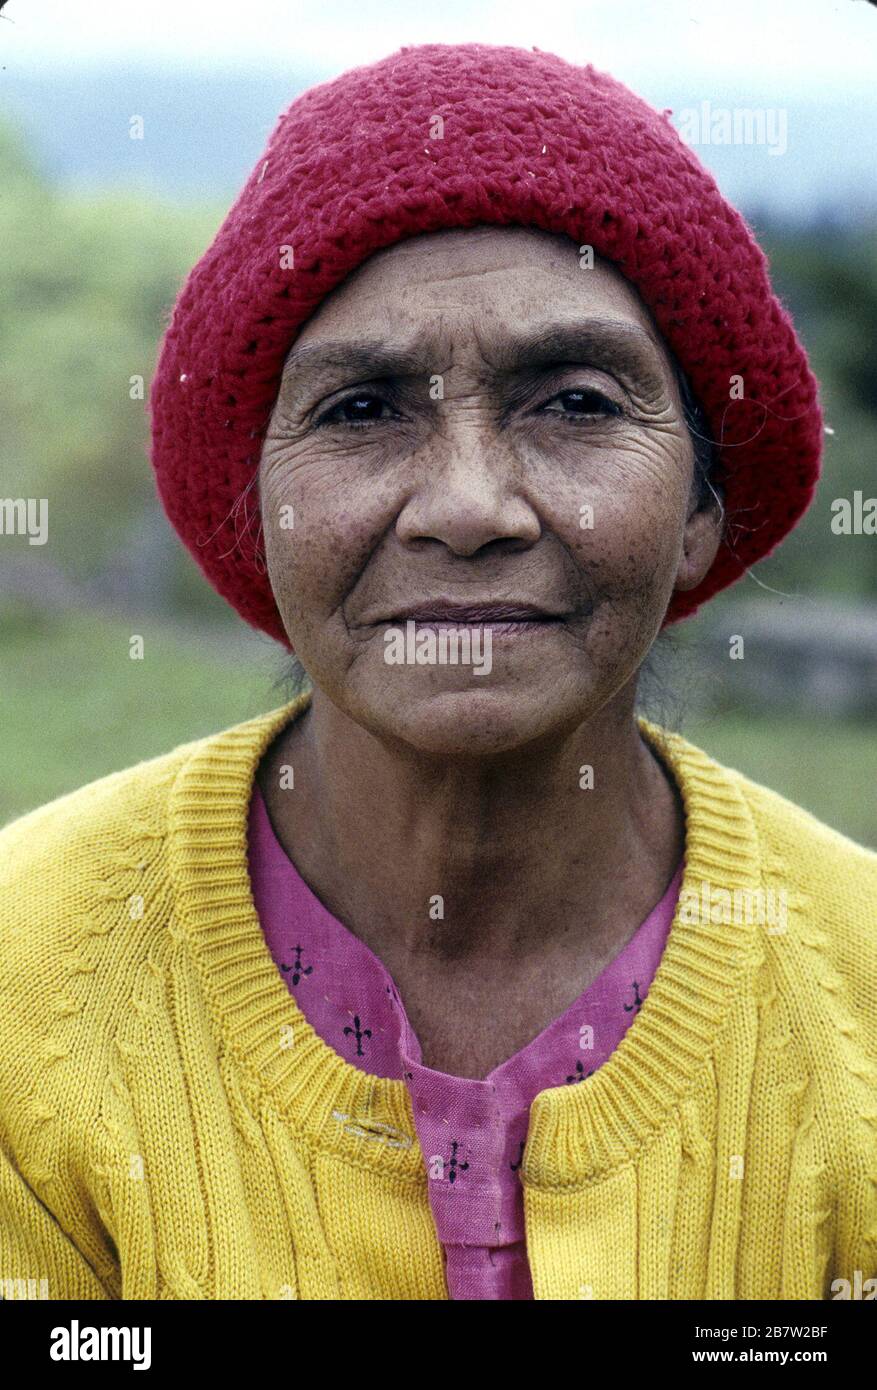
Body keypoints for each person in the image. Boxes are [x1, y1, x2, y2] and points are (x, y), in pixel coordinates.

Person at [1, 42, 875, 1302]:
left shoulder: (850, 997)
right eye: (360, 410)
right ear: (253, 515)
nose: (468, 508)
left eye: (573, 402)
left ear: (701, 506)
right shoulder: (31, 982)